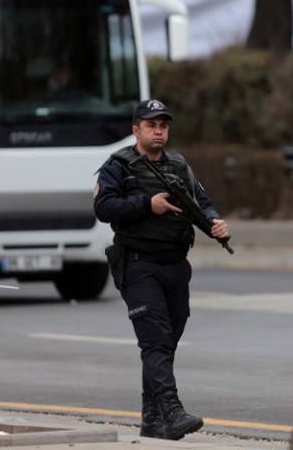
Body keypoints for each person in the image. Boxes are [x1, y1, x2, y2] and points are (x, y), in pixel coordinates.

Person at [93, 99, 230, 440]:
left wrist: (215, 222)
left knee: (166, 342)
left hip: (175, 266)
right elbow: (103, 207)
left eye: (163, 125)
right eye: (151, 124)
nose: (158, 130)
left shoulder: (179, 165)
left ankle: (152, 421)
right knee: (155, 343)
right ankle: (172, 411)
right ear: (135, 129)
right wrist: (146, 204)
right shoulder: (118, 166)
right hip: (138, 264)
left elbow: (202, 201)